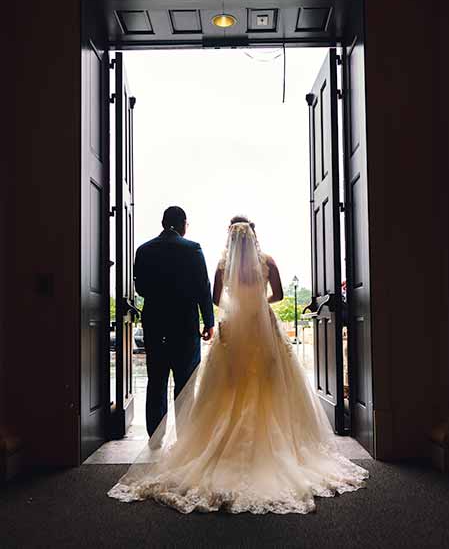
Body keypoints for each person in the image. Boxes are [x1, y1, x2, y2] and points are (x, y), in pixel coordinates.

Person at [109, 216, 368, 513]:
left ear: (230, 239)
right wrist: (258, 302)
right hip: (262, 328)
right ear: (254, 236)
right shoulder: (267, 260)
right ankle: (273, 443)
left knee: (224, 386)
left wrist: (235, 306)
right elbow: (280, 295)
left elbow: (216, 298)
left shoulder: (222, 265)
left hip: (229, 329)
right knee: (270, 384)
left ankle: (197, 443)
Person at [134, 206, 214, 437]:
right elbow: (203, 288)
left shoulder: (144, 250)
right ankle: (185, 437)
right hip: (184, 324)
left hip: (155, 322)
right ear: (183, 224)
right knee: (185, 383)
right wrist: (208, 322)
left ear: (162, 223)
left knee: (156, 380)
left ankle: (156, 437)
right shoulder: (192, 249)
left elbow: (140, 288)